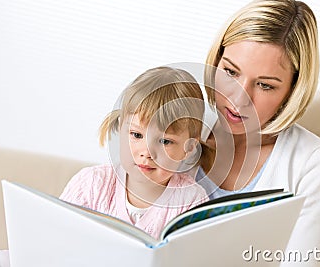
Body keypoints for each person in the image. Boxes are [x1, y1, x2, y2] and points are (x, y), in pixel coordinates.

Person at [196, 0, 320, 266]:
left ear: (294, 90)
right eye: (229, 72)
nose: (239, 98)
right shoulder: (178, 125)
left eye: (264, 85)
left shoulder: (311, 163)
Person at [60, 66, 209, 239]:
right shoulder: (91, 185)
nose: (146, 153)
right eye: (136, 135)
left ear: (189, 148)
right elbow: (58, 237)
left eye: (165, 141)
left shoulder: (191, 202)